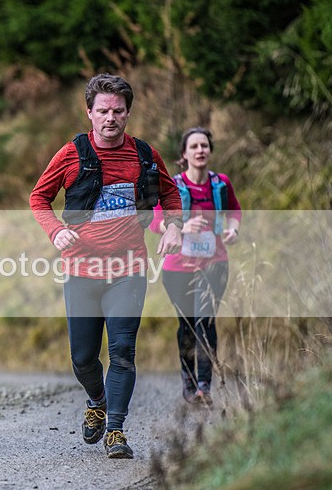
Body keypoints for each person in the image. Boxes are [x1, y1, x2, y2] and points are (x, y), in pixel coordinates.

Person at [29, 74, 183, 459]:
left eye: (118, 111)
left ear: (128, 113)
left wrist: (175, 227)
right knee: (82, 357)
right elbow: (38, 198)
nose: (110, 118)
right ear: (90, 113)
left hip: (128, 269)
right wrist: (55, 231)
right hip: (81, 270)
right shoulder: (70, 154)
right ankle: (96, 400)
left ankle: (115, 428)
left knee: (123, 350)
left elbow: (170, 194)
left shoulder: (144, 154)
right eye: (103, 111)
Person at [150, 127, 241, 406]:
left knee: (206, 320)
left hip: (214, 263)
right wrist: (181, 225)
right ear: (184, 154)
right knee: (187, 325)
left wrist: (233, 230)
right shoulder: (173, 186)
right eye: (195, 146)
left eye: (205, 146)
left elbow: (234, 211)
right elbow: (156, 220)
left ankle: (205, 385)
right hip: (178, 267)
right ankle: (188, 381)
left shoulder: (221, 183)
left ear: (210, 151)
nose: (200, 150)